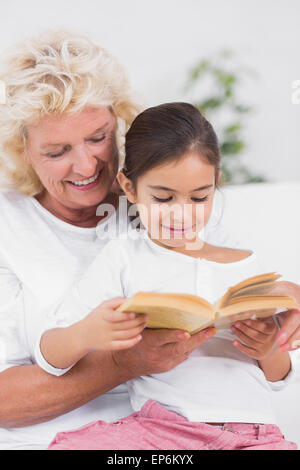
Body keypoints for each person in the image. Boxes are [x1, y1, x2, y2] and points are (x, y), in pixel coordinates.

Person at [0, 31, 241, 450]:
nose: (85, 165)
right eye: (57, 151)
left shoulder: (169, 200)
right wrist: (126, 362)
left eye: (97, 137)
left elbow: (232, 306)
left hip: (192, 432)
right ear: (22, 150)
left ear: (119, 119)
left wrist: (275, 321)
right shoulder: (10, 226)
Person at [35, 103, 298, 450]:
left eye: (199, 197)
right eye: (162, 198)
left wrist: (267, 349)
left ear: (216, 183)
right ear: (129, 188)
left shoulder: (248, 265)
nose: (181, 213)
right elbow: (49, 353)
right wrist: (88, 332)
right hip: (163, 432)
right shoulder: (125, 256)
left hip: (254, 436)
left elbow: (277, 377)